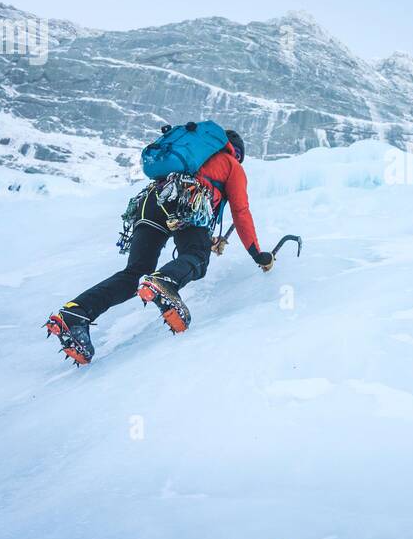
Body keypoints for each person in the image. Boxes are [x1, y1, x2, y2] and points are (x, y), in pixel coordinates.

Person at [45, 128, 273, 365]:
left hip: (152, 200)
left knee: (134, 273)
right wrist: (258, 254)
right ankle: (165, 282)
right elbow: (240, 211)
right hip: (188, 198)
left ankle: (76, 313)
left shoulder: (190, 155)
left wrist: (207, 238)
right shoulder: (231, 163)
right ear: (237, 153)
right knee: (197, 257)